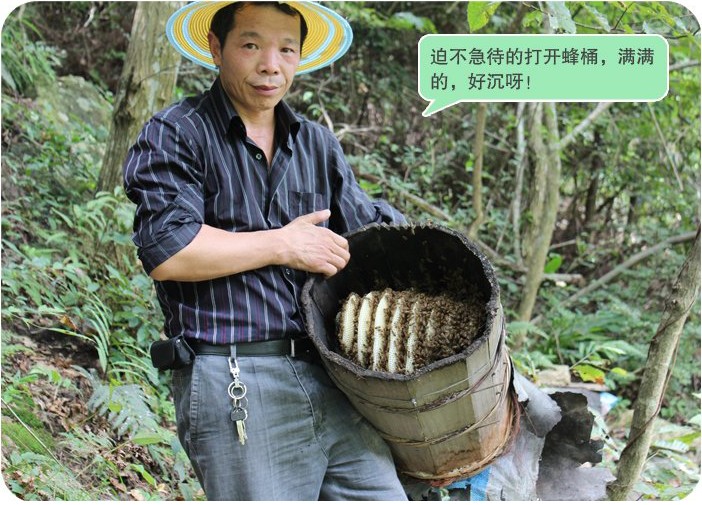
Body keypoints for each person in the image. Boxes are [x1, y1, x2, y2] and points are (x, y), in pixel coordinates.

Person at [123, 1, 408, 500]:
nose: (270, 65)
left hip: (330, 378)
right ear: (216, 47)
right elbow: (170, 251)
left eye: (286, 50)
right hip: (236, 375)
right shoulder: (178, 132)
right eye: (251, 45)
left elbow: (365, 236)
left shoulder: (317, 144)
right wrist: (282, 243)